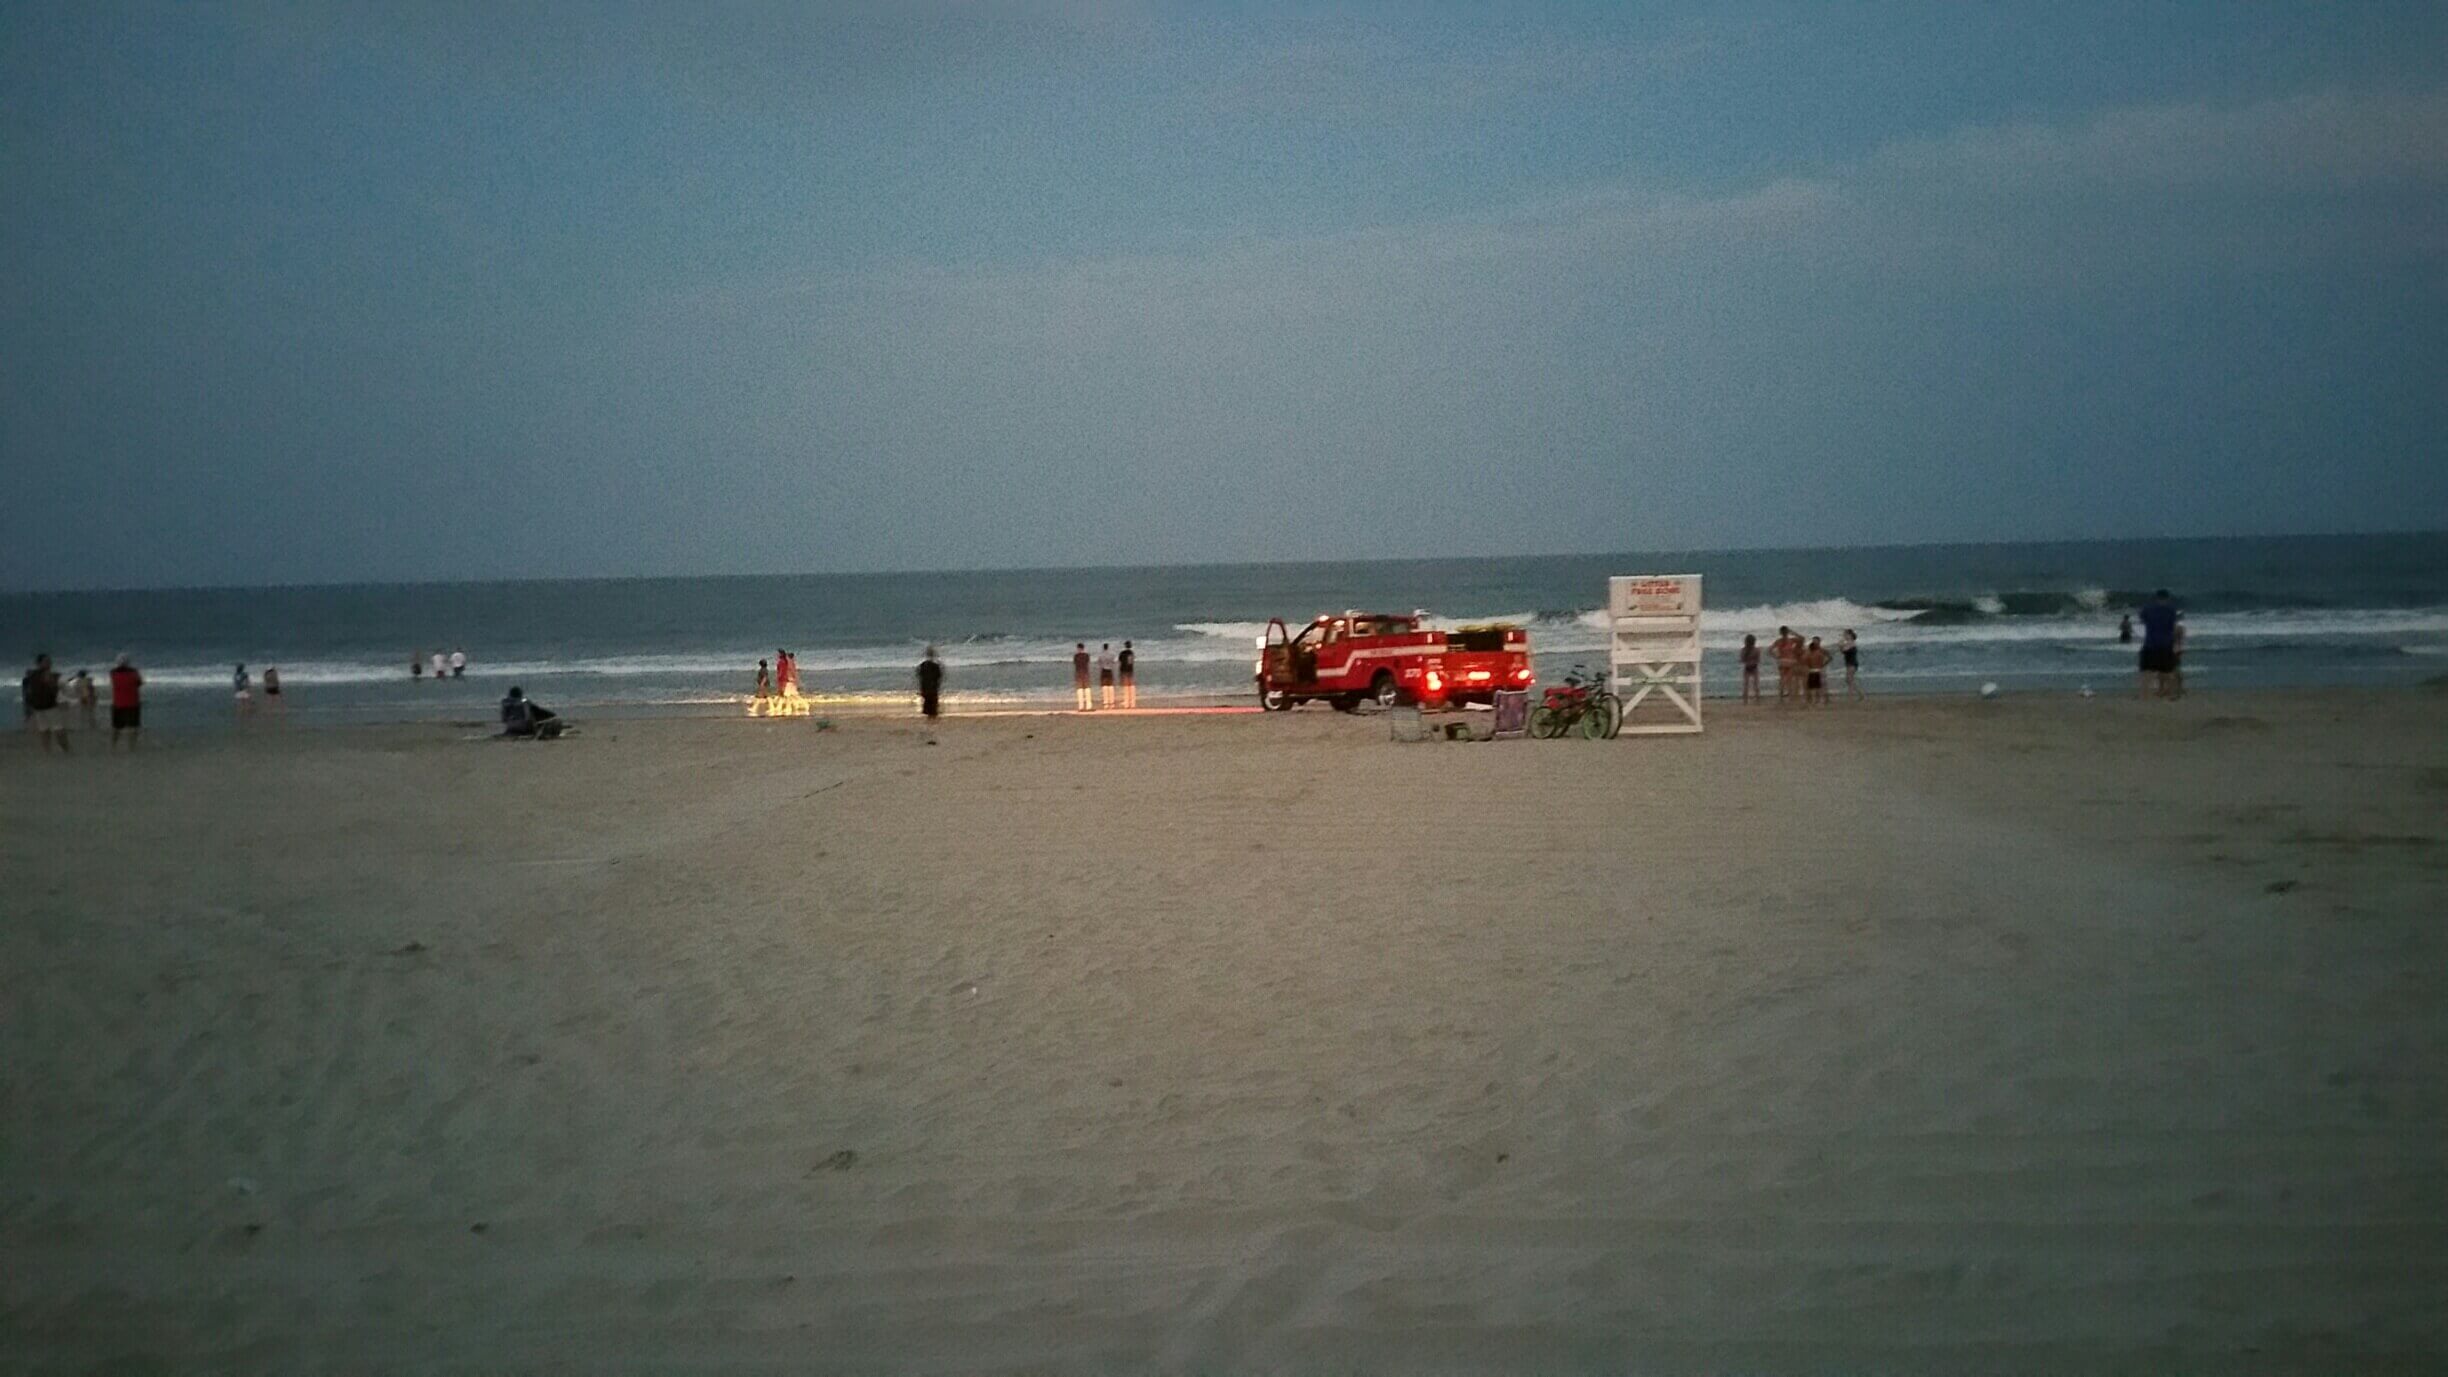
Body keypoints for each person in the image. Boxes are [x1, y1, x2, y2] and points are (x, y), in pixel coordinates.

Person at [22, 653, 70, 753]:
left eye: (49, 661)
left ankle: (51, 750)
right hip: (47, 706)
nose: (49, 663)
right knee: (55, 729)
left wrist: (28, 706)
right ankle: (63, 750)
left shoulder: (33, 676)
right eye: (46, 661)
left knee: (46, 729)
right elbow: (59, 689)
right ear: (39, 663)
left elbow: (29, 691)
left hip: (41, 706)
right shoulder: (49, 676)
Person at [2137, 590, 2180, 699]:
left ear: (2156, 597)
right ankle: (2172, 693)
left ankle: (2144, 694)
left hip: (2150, 643)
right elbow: (2174, 627)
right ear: (2167, 598)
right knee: (2168, 671)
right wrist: (2176, 643)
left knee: (2146, 671)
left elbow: (2142, 620)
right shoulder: (2171, 610)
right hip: (2166, 643)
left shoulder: (2147, 609)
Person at [499, 685, 564, 739]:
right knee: (554, 721)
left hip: (510, 727)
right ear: (521, 694)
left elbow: (503, 719)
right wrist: (552, 715)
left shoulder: (506, 703)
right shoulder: (525, 703)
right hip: (524, 728)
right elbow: (539, 711)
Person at [109, 654, 143, 749]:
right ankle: (132, 746)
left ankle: (113, 745)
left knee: (116, 727)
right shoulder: (134, 673)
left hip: (118, 703)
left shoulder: (113, 673)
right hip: (133, 702)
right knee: (133, 727)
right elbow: (139, 683)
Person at [1772, 626, 1802, 705]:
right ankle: (1790, 698)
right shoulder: (1791, 640)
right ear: (1787, 632)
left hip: (1782, 661)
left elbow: (1769, 650)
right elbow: (1802, 638)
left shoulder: (1778, 641)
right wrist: (1792, 632)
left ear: (1780, 633)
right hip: (1790, 661)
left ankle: (1781, 698)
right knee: (1789, 680)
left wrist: (1776, 657)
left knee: (1782, 679)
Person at [916, 645, 945, 720]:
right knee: (933, 704)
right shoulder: (935, 666)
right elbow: (939, 676)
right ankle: (932, 717)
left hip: (925, 687)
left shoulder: (923, 665)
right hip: (933, 687)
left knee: (928, 703)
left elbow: (920, 676)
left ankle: (929, 717)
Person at [1803, 636, 1830, 706]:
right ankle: (1820, 700)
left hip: (1815, 670)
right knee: (1818, 686)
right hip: (1818, 669)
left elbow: (1805, 661)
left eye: (1816, 641)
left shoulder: (1820, 650)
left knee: (1816, 686)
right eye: (1814, 641)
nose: (1815, 642)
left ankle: (1819, 700)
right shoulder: (1818, 652)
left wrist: (1824, 664)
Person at [1738, 634, 1762, 704]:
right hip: (1754, 667)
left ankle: (1745, 701)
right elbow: (1758, 660)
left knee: (1746, 685)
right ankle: (1758, 700)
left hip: (1747, 668)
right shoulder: (1757, 650)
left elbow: (1742, 660)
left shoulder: (1743, 650)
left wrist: (1747, 661)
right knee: (1756, 684)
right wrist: (1753, 661)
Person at [1838, 628, 1861, 700]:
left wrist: (1840, 645)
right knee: (1849, 680)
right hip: (1849, 663)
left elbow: (1844, 650)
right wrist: (1841, 646)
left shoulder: (1851, 643)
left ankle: (1851, 696)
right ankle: (1859, 694)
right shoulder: (1848, 643)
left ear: (1850, 635)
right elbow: (1843, 651)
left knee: (1849, 679)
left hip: (1852, 663)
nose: (1844, 636)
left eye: (1845, 634)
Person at [1072, 643, 1092, 711]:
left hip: (1078, 673)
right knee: (1087, 689)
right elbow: (1087, 662)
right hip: (1085, 673)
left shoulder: (1076, 656)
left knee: (1079, 690)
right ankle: (1089, 706)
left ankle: (1081, 706)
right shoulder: (1086, 655)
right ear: (1083, 648)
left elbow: (1075, 663)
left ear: (1078, 648)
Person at [1118, 640, 1137, 709]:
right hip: (1130, 670)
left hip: (1124, 670)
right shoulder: (1131, 653)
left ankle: (1126, 703)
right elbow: (1131, 662)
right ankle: (1132, 703)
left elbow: (1120, 662)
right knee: (1131, 686)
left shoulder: (1122, 653)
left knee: (1125, 687)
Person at [1098, 643, 1117, 709]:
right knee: (1111, 686)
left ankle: (1106, 703)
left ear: (1103, 648)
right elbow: (1113, 662)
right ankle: (1112, 702)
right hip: (1110, 670)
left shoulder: (1101, 655)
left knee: (1104, 687)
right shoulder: (1112, 654)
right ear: (1108, 647)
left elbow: (1099, 663)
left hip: (1104, 670)